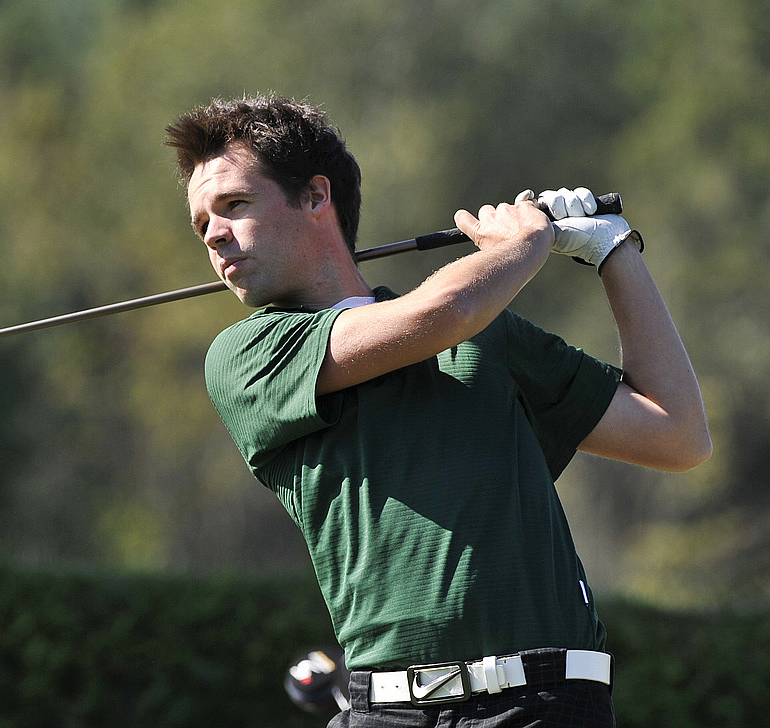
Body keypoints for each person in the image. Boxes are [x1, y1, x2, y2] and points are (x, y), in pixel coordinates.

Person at [165, 94, 711, 728]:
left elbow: (677, 434)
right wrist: (522, 246)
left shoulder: (488, 332)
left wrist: (615, 252)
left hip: (544, 704)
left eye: (234, 205)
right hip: (388, 711)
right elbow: (441, 314)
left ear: (317, 198)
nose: (214, 234)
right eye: (202, 222)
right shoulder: (244, 356)